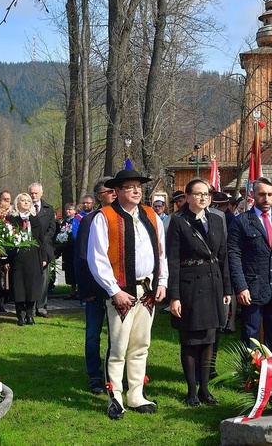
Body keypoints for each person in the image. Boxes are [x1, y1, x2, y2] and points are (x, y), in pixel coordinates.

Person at [87, 169, 168, 419]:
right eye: (130, 187)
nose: (136, 191)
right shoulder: (105, 217)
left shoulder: (151, 216)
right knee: (118, 346)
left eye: (138, 187)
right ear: (117, 191)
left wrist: (162, 282)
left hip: (148, 291)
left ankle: (136, 394)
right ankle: (116, 398)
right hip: (121, 292)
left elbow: (161, 253)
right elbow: (96, 258)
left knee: (141, 345)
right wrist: (114, 290)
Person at [167, 178, 231, 407]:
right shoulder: (178, 221)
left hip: (213, 283)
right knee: (190, 340)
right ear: (187, 197)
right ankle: (191, 391)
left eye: (207, 194)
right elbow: (172, 260)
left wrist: (227, 289)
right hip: (189, 286)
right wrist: (174, 296)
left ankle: (205, 389)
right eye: (198, 194)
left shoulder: (215, 219)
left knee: (209, 341)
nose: (204, 197)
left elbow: (223, 256)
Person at [227, 177, 272, 354]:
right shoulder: (241, 222)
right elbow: (234, 256)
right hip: (252, 289)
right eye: (262, 194)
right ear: (253, 195)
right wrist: (240, 287)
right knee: (250, 337)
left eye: (270, 194)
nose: (266, 198)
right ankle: (249, 377)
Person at [75, 177, 116, 395]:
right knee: (93, 333)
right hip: (96, 290)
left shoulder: (122, 219)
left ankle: (114, 374)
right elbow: (82, 257)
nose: (114, 194)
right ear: (99, 195)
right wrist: (87, 290)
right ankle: (94, 375)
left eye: (115, 190)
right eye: (109, 191)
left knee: (117, 334)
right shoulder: (90, 220)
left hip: (117, 289)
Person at [7, 193, 46, 326]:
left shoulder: (34, 219)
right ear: (17, 203)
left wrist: (44, 257)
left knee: (32, 286)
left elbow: (41, 239)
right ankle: (20, 316)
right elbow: (7, 240)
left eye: (28, 201)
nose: (25, 203)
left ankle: (30, 315)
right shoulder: (11, 218)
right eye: (23, 201)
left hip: (33, 255)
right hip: (18, 257)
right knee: (19, 287)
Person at [28, 183, 56, 318]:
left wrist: (42, 240)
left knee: (44, 279)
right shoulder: (25, 208)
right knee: (32, 279)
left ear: (41, 194)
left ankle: (41, 306)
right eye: (31, 193)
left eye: (35, 193)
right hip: (30, 248)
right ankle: (31, 307)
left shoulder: (48, 209)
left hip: (44, 248)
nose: (33, 195)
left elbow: (52, 228)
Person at [57, 203, 78, 300]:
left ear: (74, 211)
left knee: (75, 269)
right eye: (66, 209)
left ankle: (79, 290)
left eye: (70, 209)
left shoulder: (77, 220)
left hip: (75, 249)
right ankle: (72, 290)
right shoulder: (65, 221)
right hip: (67, 250)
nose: (67, 211)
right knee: (69, 270)